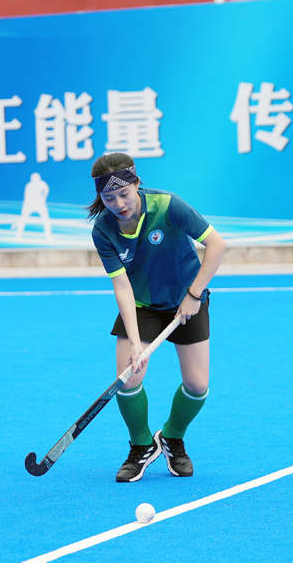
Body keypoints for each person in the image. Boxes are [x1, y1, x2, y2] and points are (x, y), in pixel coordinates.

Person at [87, 153, 227, 482]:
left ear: (137, 183)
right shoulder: (103, 229)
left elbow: (217, 245)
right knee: (127, 378)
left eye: (124, 194)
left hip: (186, 300)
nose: (118, 204)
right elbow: (122, 285)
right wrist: (135, 342)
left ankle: (172, 437)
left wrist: (194, 294)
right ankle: (141, 446)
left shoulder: (167, 206)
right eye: (109, 198)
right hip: (142, 305)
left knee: (197, 385)